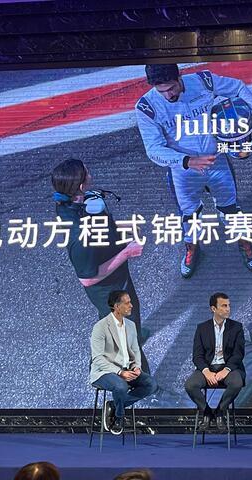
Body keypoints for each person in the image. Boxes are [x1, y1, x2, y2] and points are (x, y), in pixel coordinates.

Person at [135, 64, 252, 278]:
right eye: (161, 91)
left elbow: (238, 87)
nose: (168, 95)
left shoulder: (204, 81)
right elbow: (153, 149)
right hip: (183, 171)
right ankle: (192, 249)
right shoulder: (146, 107)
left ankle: (245, 244)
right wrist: (187, 161)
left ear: (179, 76)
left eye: (171, 88)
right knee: (190, 216)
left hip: (216, 162)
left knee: (231, 209)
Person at [51, 159, 148, 370]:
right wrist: (127, 252)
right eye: (87, 172)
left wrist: (122, 229)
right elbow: (88, 278)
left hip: (117, 277)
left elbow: (100, 229)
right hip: (108, 287)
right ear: (80, 186)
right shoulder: (79, 236)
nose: (90, 173)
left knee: (126, 316)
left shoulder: (74, 203)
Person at [90, 290, 158, 435]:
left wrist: (137, 367)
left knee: (151, 384)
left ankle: (114, 406)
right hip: (105, 371)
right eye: (127, 303)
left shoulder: (131, 325)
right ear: (116, 306)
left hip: (127, 369)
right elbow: (97, 358)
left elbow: (136, 350)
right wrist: (119, 372)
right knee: (121, 386)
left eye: (130, 302)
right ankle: (119, 417)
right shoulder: (100, 327)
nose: (131, 306)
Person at [184, 292, 245, 433]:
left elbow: (238, 354)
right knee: (190, 385)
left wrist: (226, 369)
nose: (228, 309)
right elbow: (197, 356)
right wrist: (206, 371)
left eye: (228, 305)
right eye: (224, 306)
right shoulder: (202, 328)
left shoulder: (236, 327)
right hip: (208, 367)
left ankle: (220, 411)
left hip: (229, 367)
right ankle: (207, 412)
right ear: (213, 309)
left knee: (237, 383)